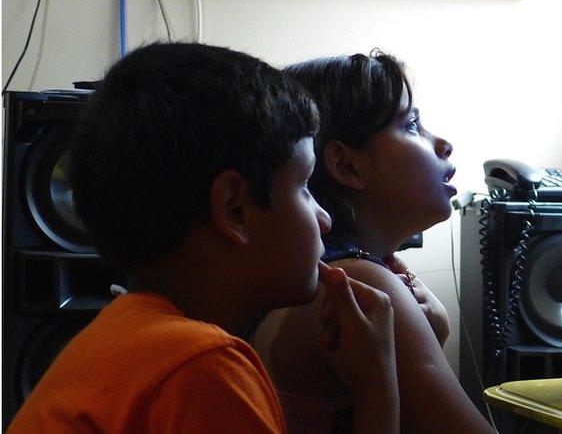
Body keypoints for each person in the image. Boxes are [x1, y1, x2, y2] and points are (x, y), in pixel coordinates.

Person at [8, 43, 399, 434]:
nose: (324, 219)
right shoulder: (201, 367)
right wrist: (379, 386)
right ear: (235, 209)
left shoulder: (112, 343)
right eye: (304, 186)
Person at [253, 51, 494, 433]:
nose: (444, 144)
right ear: (348, 167)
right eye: (412, 125)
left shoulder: (309, 277)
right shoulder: (358, 285)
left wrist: (434, 332)